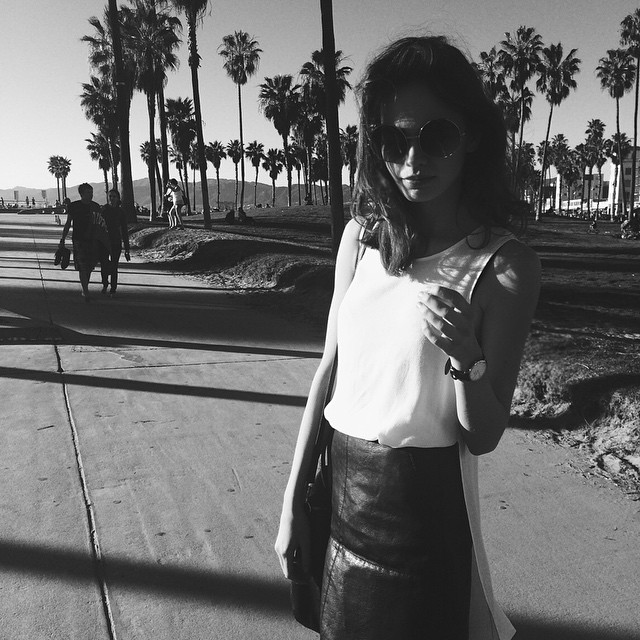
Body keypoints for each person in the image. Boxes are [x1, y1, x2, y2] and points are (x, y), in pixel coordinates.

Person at [275, 36, 540, 640]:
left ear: (473, 135)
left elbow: (484, 435)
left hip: (424, 519)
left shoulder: (504, 267)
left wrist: (466, 358)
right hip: (340, 497)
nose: (414, 159)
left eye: (436, 135)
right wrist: (291, 501)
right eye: (394, 142)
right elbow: (329, 373)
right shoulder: (361, 239)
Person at [59, 183, 110, 301]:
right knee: (82, 266)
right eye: (88, 192)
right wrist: (63, 239)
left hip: (93, 240)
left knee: (90, 266)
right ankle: (85, 290)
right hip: (79, 240)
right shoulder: (74, 206)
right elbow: (68, 223)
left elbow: (101, 224)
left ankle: (85, 287)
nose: (91, 195)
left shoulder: (95, 207)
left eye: (91, 192)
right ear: (81, 194)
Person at [100, 189, 130, 297]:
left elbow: (124, 230)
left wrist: (127, 248)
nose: (112, 198)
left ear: (118, 198)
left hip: (116, 241)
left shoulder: (121, 212)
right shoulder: (103, 210)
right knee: (104, 265)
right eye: (110, 196)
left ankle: (113, 289)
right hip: (104, 241)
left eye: (114, 196)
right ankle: (105, 283)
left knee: (114, 266)